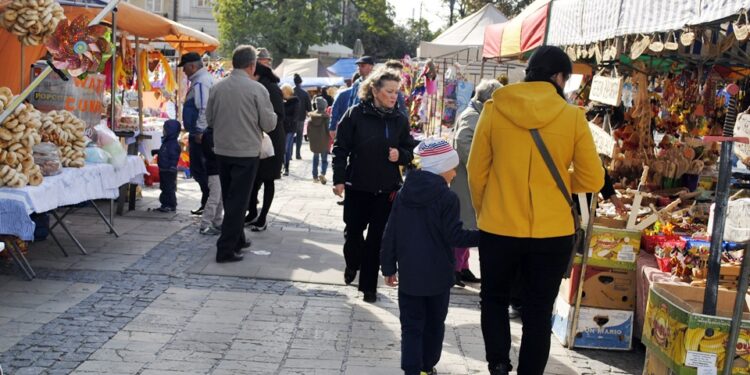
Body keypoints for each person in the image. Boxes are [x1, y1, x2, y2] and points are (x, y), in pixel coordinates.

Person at [467, 46, 604, 375]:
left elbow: (476, 170)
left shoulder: (493, 108)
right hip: (551, 230)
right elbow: (592, 178)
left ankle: (499, 363)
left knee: (494, 298)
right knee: (539, 311)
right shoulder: (571, 116)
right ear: (559, 77)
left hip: (499, 225)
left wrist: (487, 208)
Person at [381, 138, 479, 375]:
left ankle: (412, 370)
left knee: (411, 326)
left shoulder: (404, 193)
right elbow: (455, 236)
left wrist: (388, 267)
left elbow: (391, 231)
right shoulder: (448, 198)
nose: (455, 173)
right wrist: (486, 236)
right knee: (434, 325)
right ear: (441, 167)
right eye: (452, 168)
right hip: (438, 277)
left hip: (410, 274)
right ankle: (426, 366)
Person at [332, 68, 415, 303]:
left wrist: (400, 154)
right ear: (375, 91)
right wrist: (339, 179)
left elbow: (410, 151)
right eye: (389, 91)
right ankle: (352, 264)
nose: (393, 96)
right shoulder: (354, 114)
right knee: (354, 234)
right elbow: (340, 148)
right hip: (357, 186)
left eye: (396, 92)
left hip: (386, 190)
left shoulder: (399, 119)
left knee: (376, 239)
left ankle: (369, 287)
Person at [206, 45, 277, 263]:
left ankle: (236, 239)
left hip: (222, 149)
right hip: (245, 152)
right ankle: (225, 248)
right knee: (239, 201)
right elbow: (269, 123)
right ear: (252, 65)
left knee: (230, 198)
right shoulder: (257, 89)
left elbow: (209, 119)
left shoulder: (217, 88)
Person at [451, 79, 502, 288]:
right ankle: (453, 268)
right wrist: (484, 165)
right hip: (466, 180)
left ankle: (461, 267)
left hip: (470, 179)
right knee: (463, 225)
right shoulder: (473, 116)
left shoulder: (477, 113)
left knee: (469, 225)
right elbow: (464, 142)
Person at [246, 62, 286, 230]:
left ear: (257, 74)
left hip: (271, 141)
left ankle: (262, 218)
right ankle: (253, 212)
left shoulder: (269, 88)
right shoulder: (260, 86)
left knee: (268, 178)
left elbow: (279, 115)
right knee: (255, 179)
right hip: (260, 138)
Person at [178, 52, 214, 216]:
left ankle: (208, 202)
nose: (184, 71)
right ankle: (207, 202)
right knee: (200, 169)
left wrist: (199, 131)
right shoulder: (202, 80)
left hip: (201, 134)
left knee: (200, 169)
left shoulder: (201, 82)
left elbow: (204, 107)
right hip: (201, 132)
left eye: (185, 68)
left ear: (192, 66)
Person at [199, 126, 222, 235]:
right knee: (214, 198)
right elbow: (211, 152)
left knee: (220, 198)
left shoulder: (217, 131)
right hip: (214, 169)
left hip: (219, 169)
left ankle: (217, 222)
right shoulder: (209, 134)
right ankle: (205, 224)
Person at [155, 119, 181, 212]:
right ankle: (165, 204)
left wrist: (172, 166)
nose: (163, 131)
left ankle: (170, 204)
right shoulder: (167, 142)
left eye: (165, 129)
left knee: (168, 188)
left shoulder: (172, 144)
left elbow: (174, 156)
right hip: (164, 168)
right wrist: (157, 152)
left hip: (168, 170)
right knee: (164, 187)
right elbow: (165, 153)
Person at [308, 96, 331, 184]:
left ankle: (314, 177)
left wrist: (310, 138)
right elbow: (328, 129)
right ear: (325, 106)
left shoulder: (312, 117)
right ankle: (322, 174)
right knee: (324, 159)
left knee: (315, 159)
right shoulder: (326, 117)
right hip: (324, 141)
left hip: (314, 141)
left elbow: (308, 130)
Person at [281, 84, 300, 176]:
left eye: (283, 92)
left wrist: (284, 118)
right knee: (283, 148)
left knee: (286, 148)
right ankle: (282, 165)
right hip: (282, 127)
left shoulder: (295, 102)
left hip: (290, 128)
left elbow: (295, 117)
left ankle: (286, 167)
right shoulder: (282, 101)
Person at [293, 74, 311, 160]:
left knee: (289, 136)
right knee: (299, 136)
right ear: (301, 82)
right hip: (301, 117)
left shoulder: (290, 91)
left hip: (290, 117)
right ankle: (298, 154)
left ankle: (288, 155)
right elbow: (309, 108)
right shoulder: (304, 93)